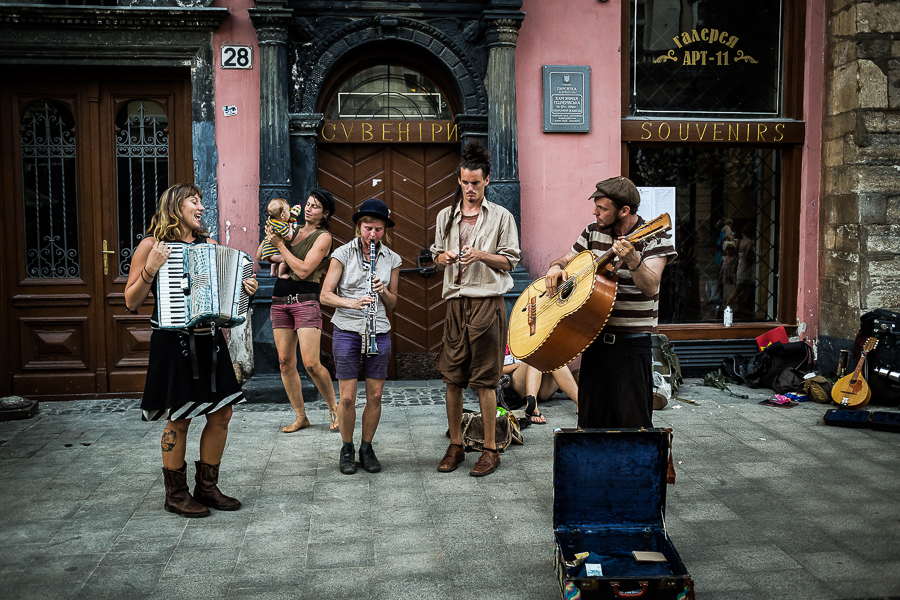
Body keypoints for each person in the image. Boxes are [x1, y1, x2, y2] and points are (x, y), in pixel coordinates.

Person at [124, 183, 258, 518]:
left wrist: (246, 291)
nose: (201, 207)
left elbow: (226, 301)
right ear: (174, 205)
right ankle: (176, 494)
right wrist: (151, 268)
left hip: (208, 341)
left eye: (201, 202)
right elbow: (131, 301)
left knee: (222, 413)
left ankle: (207, 488)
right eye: (193, 201)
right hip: (173, 342)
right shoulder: (151, 245)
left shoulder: (209, 245)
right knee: (180, 416)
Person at [544, 176, 676, 429]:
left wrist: (634, 260)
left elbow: (650, 286)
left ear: (624, 210)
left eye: (602, 208)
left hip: (632, 344)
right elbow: (567, 259)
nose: (595, 212)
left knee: (633, 425)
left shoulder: (656, 237)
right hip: (592, 338)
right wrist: (555, 268)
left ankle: (635, 469)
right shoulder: (592, 231)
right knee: (591, 422)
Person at [431, 140, 520, 477]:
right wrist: (444, 257)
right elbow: (437, 257)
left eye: (476, 183)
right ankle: (456, 445)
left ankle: (490, 449)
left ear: (486, 182)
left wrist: (481, 254)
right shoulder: (446, 216)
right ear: (459, 180)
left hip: (487, 303)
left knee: (485, 380)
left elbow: (511, 261)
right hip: (455, 303)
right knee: (452, 378)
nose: (470, 189)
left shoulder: (501, 216)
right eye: (465, 182)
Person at [320, 199, 401, 475]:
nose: (373, 235)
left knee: (375, 395)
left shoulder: (391, 259)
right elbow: (325, 295)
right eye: (368, 228)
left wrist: (382, 291)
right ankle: (346, 447)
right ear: (359, 227)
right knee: (347, 398)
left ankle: (366, 448)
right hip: (347, 329)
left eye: (378, 229)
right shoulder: (342, 254)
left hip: (378, 329)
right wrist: (352, 303)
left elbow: (392, 303)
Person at [257, 189, 340, 433]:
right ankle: (301, 416)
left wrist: (281, 246)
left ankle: (334, 408)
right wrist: (270, 236)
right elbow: (260, 256)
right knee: (284, 362)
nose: (309, 208)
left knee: (312, 364)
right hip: (280, 299)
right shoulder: (289, 227)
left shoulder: (322, 237)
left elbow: (303, 271)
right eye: (308, 204)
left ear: (325, 214)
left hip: (305, 299)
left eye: (315, 206)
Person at [499, 348, 578, 424]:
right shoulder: (498, 337)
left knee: (552, 356)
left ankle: (580, 403)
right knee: (535, 357)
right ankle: (532, 407)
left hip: (540, 385)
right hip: (513, 384)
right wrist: (520, 364)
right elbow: (497, 370)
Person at [260, 198, 303, 278]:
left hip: (267, 250)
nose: (290, 212)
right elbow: (288, 237)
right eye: (288, 211)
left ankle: (272, 272)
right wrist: (290, 226)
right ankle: (281, 274)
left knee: (275, 261)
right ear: (282, 215)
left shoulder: (272, 221)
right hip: (272, 251)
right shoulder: (281, 226)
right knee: (285, 260)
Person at [723, 223, 757, 321]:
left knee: (741, 291)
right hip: (746, 269)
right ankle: (728, 306)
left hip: (740, 268)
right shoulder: (750, 242)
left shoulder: (741, 242)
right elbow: (747, 258)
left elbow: (739, 255)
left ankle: (736, 308)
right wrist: (756, 257)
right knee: (737, 291)